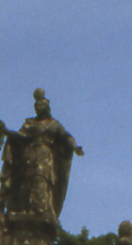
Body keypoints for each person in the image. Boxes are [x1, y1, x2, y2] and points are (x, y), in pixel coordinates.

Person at [0, 89, 83, 223]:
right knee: (25, 181)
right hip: (28, 156)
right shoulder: (29, 124)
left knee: (40, 179)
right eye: (36, 106)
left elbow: (66, 137)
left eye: (41, 106)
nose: (38, 108)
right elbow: (19, 137)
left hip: (44, 156)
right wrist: (7, 132)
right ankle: (24, 209)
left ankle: (40, 209)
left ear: (47, 108)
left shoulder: (54, 125)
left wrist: (75, 147)